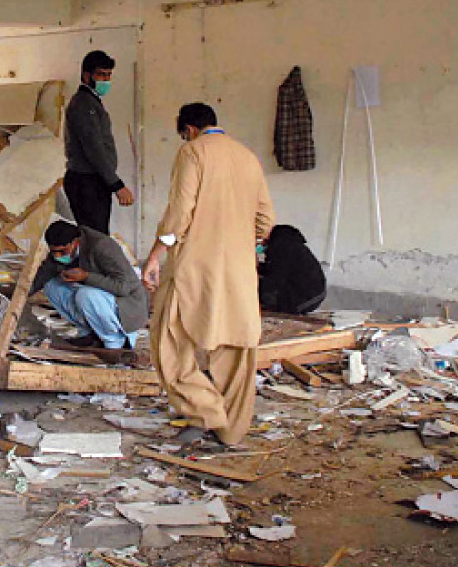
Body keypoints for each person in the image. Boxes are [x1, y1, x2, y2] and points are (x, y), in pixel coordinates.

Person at [142, 103, 275, 446]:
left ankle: (205, 411)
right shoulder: (247, 156)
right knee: (235, 346)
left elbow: (179, 214)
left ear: (188, 128)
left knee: (168, 340)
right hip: (240, 272)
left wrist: (156, 255)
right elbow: (265, 222)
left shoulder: (192, 153)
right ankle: (231, 432)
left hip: (195, 266)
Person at [31, 220, 147, 349]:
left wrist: (86, 276)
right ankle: (89, 334)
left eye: (62, 252)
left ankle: (115, 342)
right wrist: (20, 296)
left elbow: (124, 287)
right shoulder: (61, 251)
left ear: (75, 242)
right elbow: (43, 275)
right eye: (54, 252)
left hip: (126, 306)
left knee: (85, 294)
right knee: (51, 285)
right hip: (99, 298)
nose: (57, 256)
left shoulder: (102, 246)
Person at [63, 50, 134, 234]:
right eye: (101, 74)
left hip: (94, 181)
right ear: (87, 76)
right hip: (86, 182)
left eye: (109, 75)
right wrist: (116, 184)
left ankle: (92, 263)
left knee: (97, 235)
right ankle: (91, 264)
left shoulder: (92, 102)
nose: (106, 80)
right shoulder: (84, 104)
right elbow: (94, 148)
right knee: (95, 238)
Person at [259, 224, 326, 315]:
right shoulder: (291, 245)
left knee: (263, 289)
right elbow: (277, 269)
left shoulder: (282, 248)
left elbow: (276, 277)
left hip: (306, 297)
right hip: (315, 296)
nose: (261, 244)